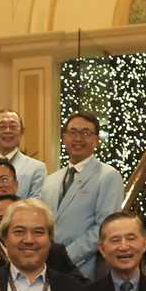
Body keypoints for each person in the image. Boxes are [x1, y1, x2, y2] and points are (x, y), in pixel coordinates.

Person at [44, 113, 125, 277]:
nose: (78, 138)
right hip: (47, 266)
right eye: (73, 132)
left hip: (83, 268)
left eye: (85, 133)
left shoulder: (108, 176)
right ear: (64, 138)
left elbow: (105, 227)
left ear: (96, 140)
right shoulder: (51, 180)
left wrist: (66, 257)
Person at [0, 200, 85, 291]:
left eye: (38, 232)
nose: (29, 240)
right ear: (4, 238)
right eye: (19, 232)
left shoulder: (74, 290)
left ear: (50, 239)